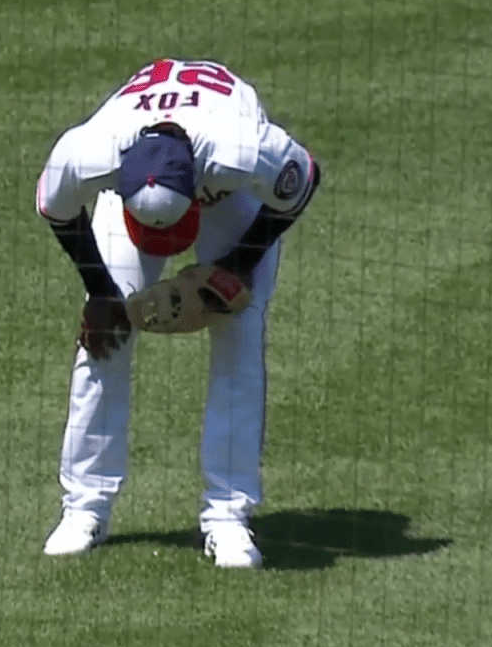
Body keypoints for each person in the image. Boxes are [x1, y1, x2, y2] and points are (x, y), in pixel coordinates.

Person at [33, 58, 321, 568]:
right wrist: (100, 292)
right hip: (153, 170)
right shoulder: (87, 150)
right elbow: (58, 212)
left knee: (239, 329)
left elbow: (303, 181)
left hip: (228, 198)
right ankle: (84, 509)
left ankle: (228, 519)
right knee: (103, 338)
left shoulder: (245, 149)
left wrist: (238, 262)